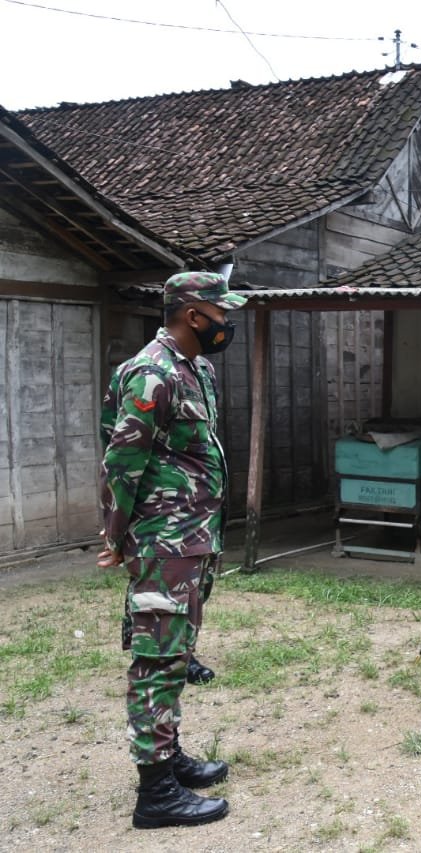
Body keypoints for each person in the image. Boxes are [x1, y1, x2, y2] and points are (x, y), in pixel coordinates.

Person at [98, 271, 243, 829]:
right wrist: (115, 536)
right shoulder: (150, 371)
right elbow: (122, 459)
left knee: (177, 652)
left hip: (190, 534)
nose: (226, 323)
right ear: (192, 315)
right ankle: (155, 791)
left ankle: (169, 753)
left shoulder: (195, 369)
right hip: (163, 538)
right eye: (220, 313)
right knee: (157, 659)